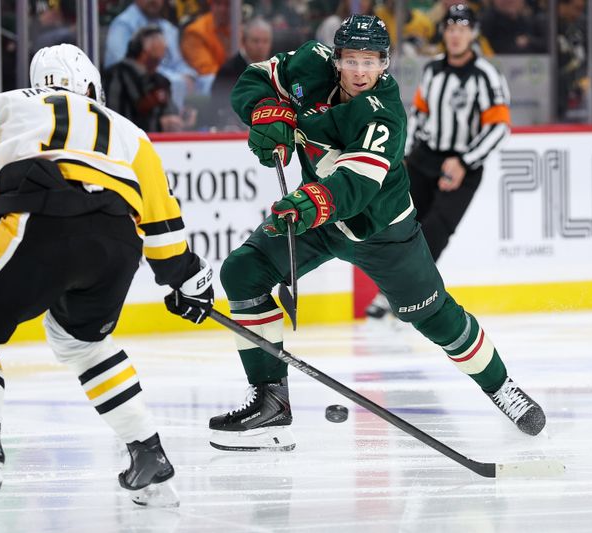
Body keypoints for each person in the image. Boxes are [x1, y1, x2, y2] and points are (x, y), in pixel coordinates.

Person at [0, 43, 214, 520]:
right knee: (84, 345)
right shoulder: (131, 133)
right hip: (117, 240)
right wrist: (185, 283)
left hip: (37, 215)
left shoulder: (11, 102)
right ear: (91, 86)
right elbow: (164, 232)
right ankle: (149, 453)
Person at [206, 14, 545, 452]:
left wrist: (308, 204)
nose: (361, 72)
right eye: (352, 60)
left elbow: (355, 186)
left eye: (371, 61)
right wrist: (265, 112)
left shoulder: (384, 113)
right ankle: (272, 402)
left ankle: (501, 387)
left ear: (385, 63)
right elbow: (254, 77)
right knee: (242, 271)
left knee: (435, 316)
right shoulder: (309, 62)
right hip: (320, 222)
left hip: (381, 230)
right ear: (337, 58)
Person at [365, 4, 511, 319]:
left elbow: (499, 127)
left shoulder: (486, 75)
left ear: (473, 33)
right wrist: (404, 156)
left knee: (435, 229)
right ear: (444, 32)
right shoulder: (432, 69)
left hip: (463, 166)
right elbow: (420, 114)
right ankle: (389, 291)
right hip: (425, 158)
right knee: (403, 224)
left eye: (462, 28)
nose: (455, 35)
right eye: (450, 28)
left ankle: (408, 294)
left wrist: (464, 161)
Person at [103, 0, 203, 107]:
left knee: (205, 82)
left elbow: (179, 63)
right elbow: (121, 68)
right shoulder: (123, 24)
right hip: (132, 101)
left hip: (165, 98)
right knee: (176, 83)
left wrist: (189, 76)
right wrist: (174, 78)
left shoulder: (168, 28)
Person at [105, 26, 186, 132]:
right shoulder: (116, 77)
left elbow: (171, 112)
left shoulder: (161, 81)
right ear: (144, 53)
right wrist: (158, 125)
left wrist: (180, 119)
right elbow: (113, 121)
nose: (158, 63)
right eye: (156, 59)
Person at [207, 16, 273, 130]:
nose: (260, 46)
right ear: (243, 42)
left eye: (265, 41)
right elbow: (221, 107)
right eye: (256, 41)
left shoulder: (276, 67)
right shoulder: (229, 71)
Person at [180, 0, 232, 77]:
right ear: (211, 5)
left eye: (227, 5)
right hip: (209, 84)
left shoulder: (240, 28)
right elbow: (206, 70)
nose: (223, 9)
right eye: (218, 4)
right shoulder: (196, 32)